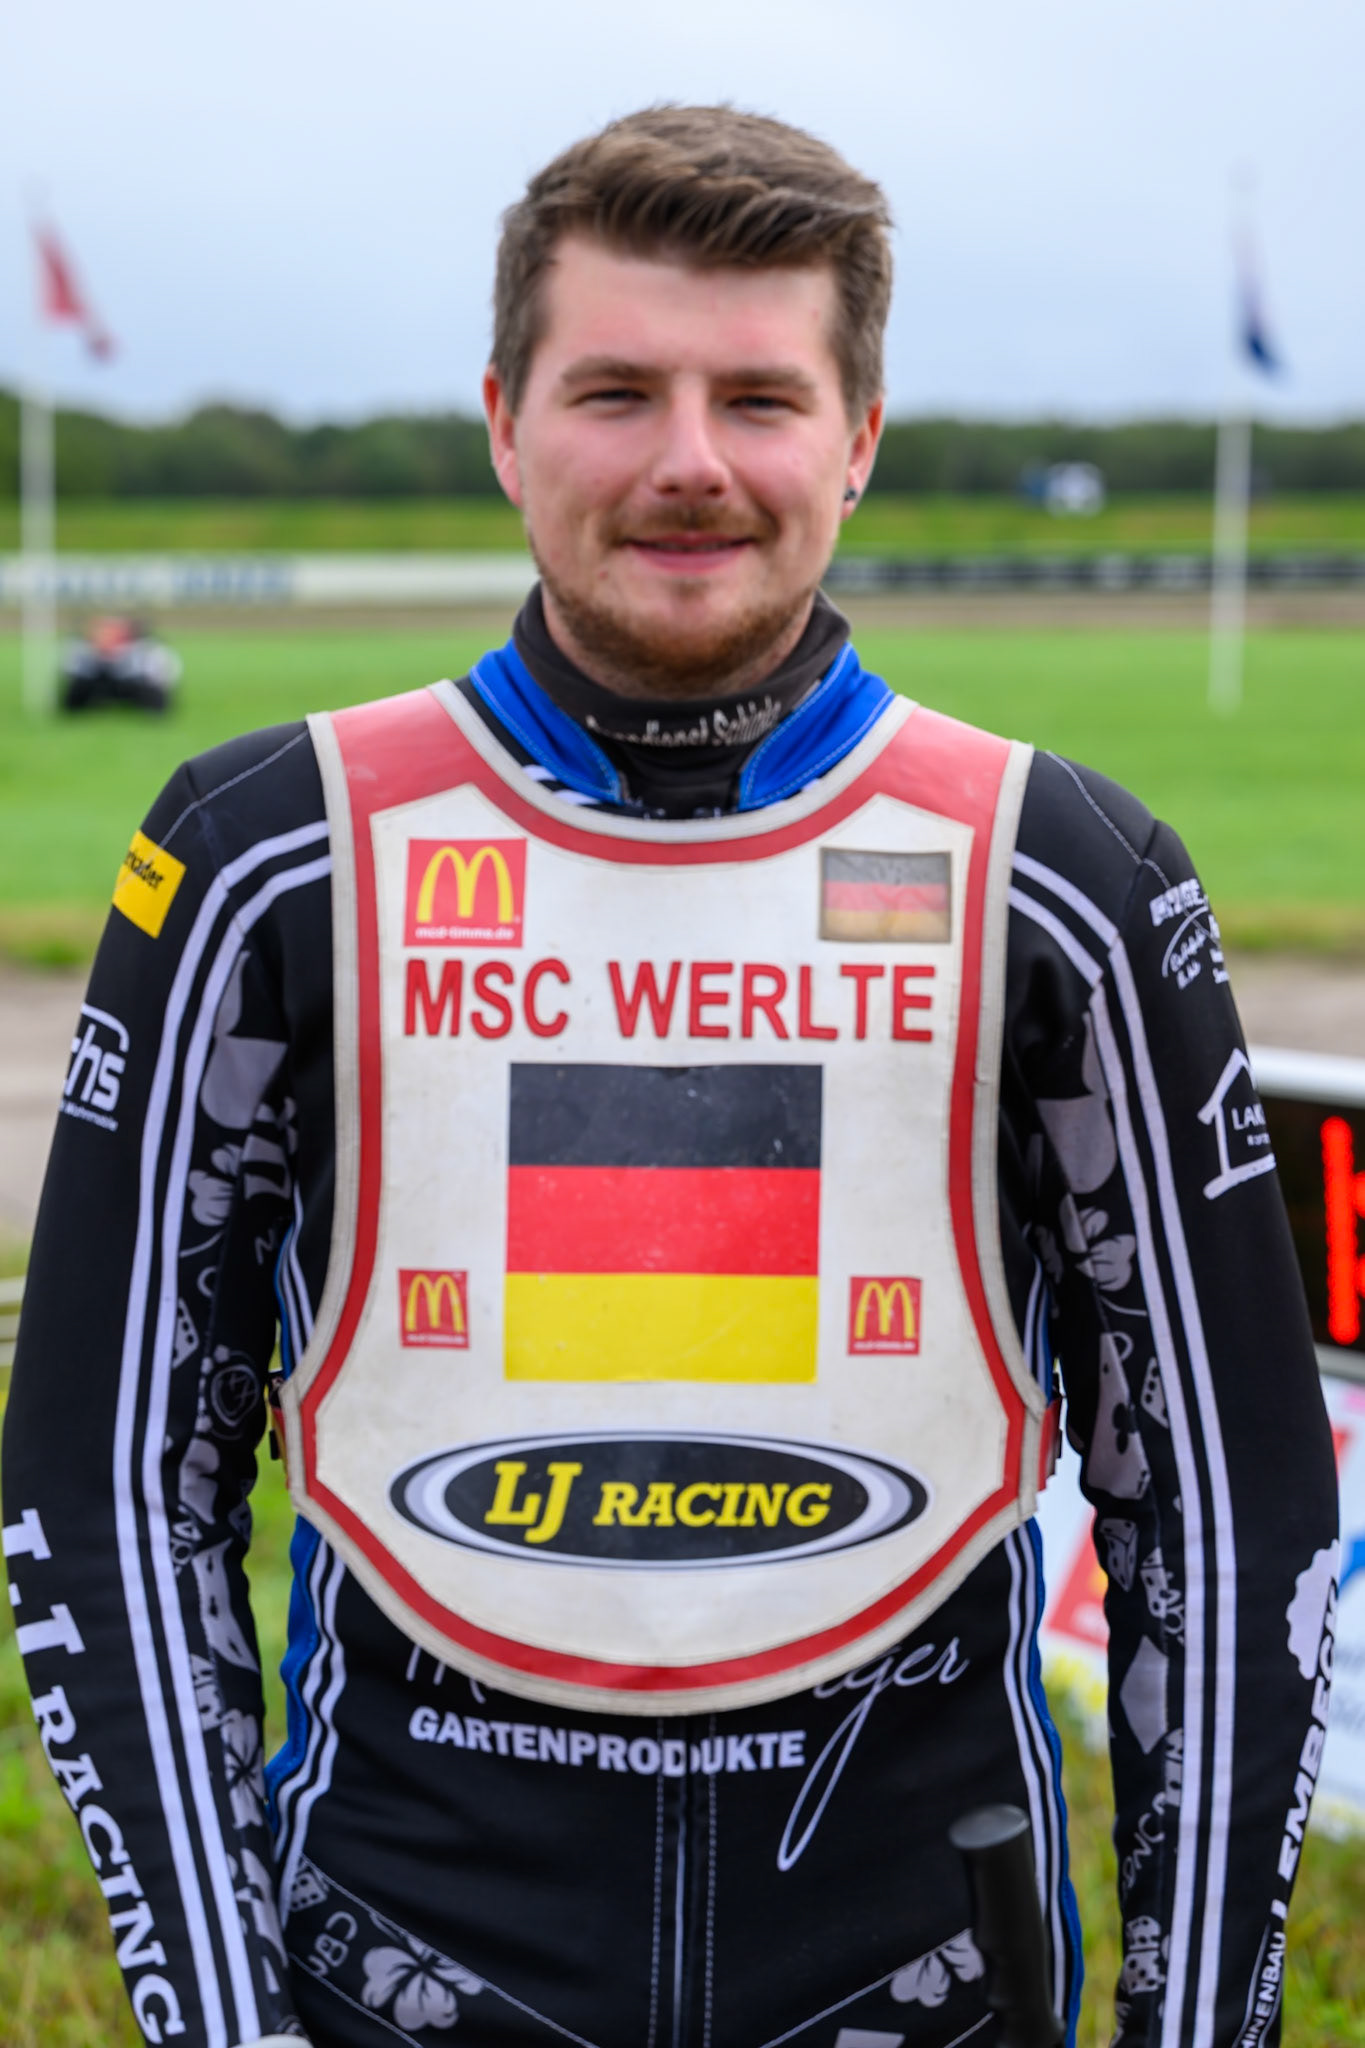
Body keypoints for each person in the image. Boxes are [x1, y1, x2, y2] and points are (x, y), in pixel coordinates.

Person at [3, 106, 1338, 2048]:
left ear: (858, 436)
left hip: (918, 1978)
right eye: (615, 389)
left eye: (759, 397)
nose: (688, 460)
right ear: (501, 420)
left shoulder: (1062, 879)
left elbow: (1219, 1528)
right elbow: (118, 1487)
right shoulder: (265, 850)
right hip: (409, 1969)